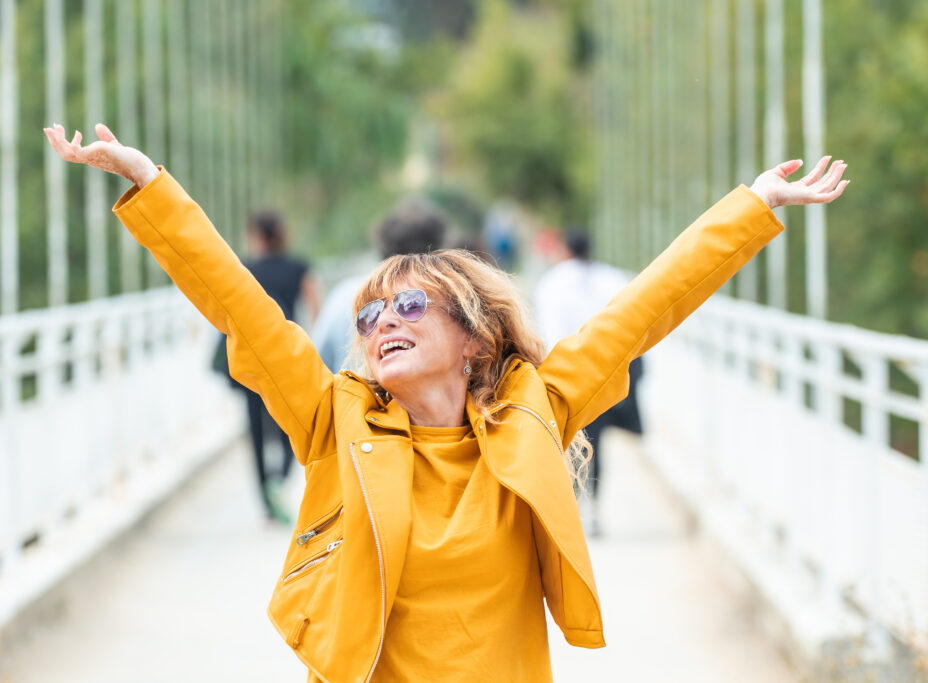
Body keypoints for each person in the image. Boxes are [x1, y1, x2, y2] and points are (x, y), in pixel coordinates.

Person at [44, 122, 848, 682]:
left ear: (475, 338)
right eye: (369, 314)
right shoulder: (336, 418)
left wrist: (753, 207)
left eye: (409, 306)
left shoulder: (537, 407)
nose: (381, 322)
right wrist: (150, 186)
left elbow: (642, 311)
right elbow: (240, 304)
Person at [212, 210, 320, 523]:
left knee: (256, 429)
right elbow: (315, 310)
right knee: (291, 424)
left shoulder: (246, 268)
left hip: (251, 359)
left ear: (257, 236)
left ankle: (266, 504)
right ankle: (281, 477)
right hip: (288, 357)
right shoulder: (300, 267)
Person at [534, 229, 642, 536]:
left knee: (569, 446)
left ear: (565, 249)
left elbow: (547, 332)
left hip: (565, 376)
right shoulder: (611, 279)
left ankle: (570, 512)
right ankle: (594, 513)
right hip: (604, 374)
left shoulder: (552, 282)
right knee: (596, 444)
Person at [310, 197, 446, 371]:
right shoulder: (440, 302)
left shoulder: (345, 295)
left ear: (382, 242)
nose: (383, 321)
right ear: (439, 249)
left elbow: (315, 365)